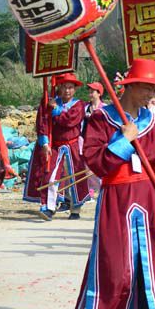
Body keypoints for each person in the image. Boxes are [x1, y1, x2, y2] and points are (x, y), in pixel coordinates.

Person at [71, 59, 155, 309]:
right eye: (147, 86)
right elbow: (95, 162)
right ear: (130, 86)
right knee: (116, 269)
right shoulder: (100, 119)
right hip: (117, 199)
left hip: (149, 200)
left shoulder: (152, 121)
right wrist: (124, 140)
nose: (152, 92)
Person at [24, 72, 90, 220]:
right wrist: (45, 143)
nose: (67, 90)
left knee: (75, 177)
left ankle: (75, 209)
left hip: (72, 144)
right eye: (65, 87)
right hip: (55, 145)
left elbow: (69, 121)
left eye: (71, 87)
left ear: (75, 89)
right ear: (59, 87)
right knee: (50, 175)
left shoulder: (79, 105)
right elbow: (42, 123)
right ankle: (49, 207)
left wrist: (56, 111)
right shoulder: (49, 101)